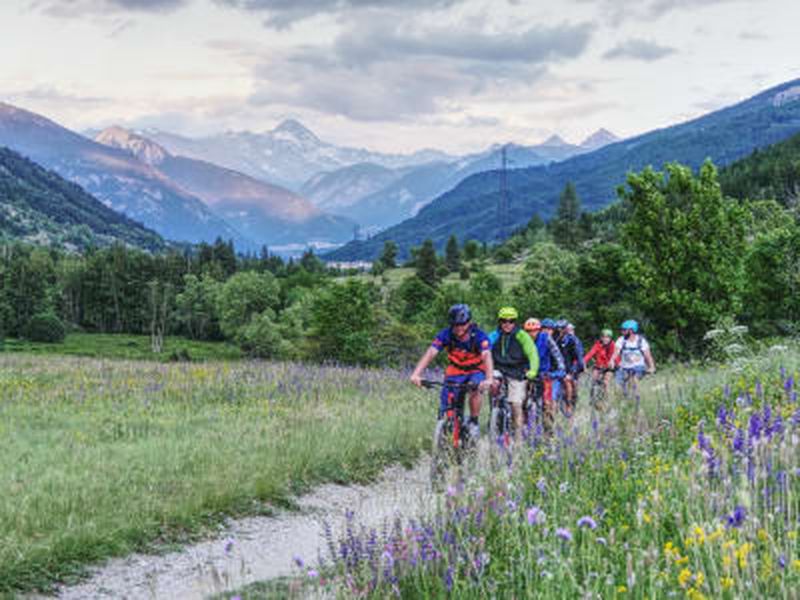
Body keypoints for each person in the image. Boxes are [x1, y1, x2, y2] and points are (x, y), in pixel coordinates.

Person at [410, 304, 494, 440]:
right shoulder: (446, 334)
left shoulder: (479, 336)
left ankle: (474, 422)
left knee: (475, 388)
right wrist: (416, 374)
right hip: (456, 370)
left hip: (475, 370)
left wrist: (489, 378)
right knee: (447, 401)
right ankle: (447, 427)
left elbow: (486, 355)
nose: (459, 328)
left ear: (469, 323)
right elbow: (431, 352)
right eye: (455, 325)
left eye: (462, 324)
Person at [488, 307, 539, 444]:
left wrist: (533, 371)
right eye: (504, 321)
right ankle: (495, 414)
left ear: (515, 322)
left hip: (517, 371)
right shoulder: (494, 335)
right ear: (500, 322)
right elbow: (484, 350)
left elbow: (532, 354)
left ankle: (518, 439)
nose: (507, 324)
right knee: (492, 386)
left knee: (516, 404)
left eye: (511, 321)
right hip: (498, 369)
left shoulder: (522, 336)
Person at [524, 317, 565, 432]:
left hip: (544, 373)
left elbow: (557, 354)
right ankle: (521, 427)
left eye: (535, 330)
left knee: (547, 403)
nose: (532, 333)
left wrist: (561, 368)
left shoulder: (546, 338)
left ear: (539, 330)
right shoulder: (522, 339)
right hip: (526, 373)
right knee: (520, 399)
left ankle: (549, 431)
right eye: (529, 331)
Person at [610, 320, 656, 394]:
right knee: (617, 387)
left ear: (631, 331)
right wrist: (612, 360)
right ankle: (624, 398)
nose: (622, 332)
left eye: (624, 330)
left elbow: (648, 356)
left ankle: (636, 398)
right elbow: (616, 352)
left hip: (638, 367)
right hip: (624, 367)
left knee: (633, 380)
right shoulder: (621, 340)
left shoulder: (641, 341)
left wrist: (652, 367)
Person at [554, 319, 584, 414]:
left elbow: (578, 357)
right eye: (558, 329)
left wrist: (574, 370)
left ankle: (569, 405)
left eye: (562, 329)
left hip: (571, 366)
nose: (559, 331)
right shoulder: (555, 340)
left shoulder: (573, 340)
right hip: (559, 367)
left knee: (570, 383)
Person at [584, 328, 617, 404]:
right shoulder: (598, 344)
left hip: (609, 367)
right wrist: (583, 362)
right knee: (594, 379)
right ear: (601, 337)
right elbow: (590, 354)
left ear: (610, 338)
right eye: (603, 337)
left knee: (606, 382)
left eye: (607, 337)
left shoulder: (613, 345)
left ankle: (607, 400)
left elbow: (615, 356)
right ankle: (592, 398)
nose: (605, 339)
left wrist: (612, 363)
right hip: (599, 366)